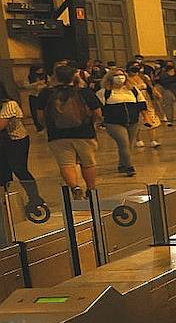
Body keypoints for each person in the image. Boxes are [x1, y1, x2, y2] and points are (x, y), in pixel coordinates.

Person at [36, 64, 102, 197]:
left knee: (66, 163)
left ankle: (75, 188)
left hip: (57, 134)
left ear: (55, 77)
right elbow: (98, 113)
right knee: (88, 162)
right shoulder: (84, 92)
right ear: (74, 76)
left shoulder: (46, 93)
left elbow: (40, 116)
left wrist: (48, 125)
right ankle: (91, 189)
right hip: (84, 133)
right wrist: (92, 123)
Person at [0, 82, 46, 213]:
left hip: (17, 141)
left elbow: (2, 125)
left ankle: (35, 198)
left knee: (19, 169)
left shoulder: (10, 105)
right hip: (3, 143)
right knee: (3, 171)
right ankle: (6, 201)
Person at [97, 67, 148, 177]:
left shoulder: (133, 90)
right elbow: (98, 108)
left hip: (133, 121)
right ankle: (129, 166)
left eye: (122, 75)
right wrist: (100, 121)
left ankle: (122, 164)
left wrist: (146, 117)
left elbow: (142, 103)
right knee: (123, 143)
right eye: (116, 75)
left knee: (128, 144)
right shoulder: (104, 92)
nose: (120, 77)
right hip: (114, 122)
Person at [126, 62, 161, 147]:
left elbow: (151, 86)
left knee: (150, 117)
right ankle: (138, 139)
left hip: (146, 98)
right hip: (134, 100)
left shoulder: (143, 77)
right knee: (138, 119)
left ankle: (152, 140)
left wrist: (156, 92)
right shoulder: (126, 78)